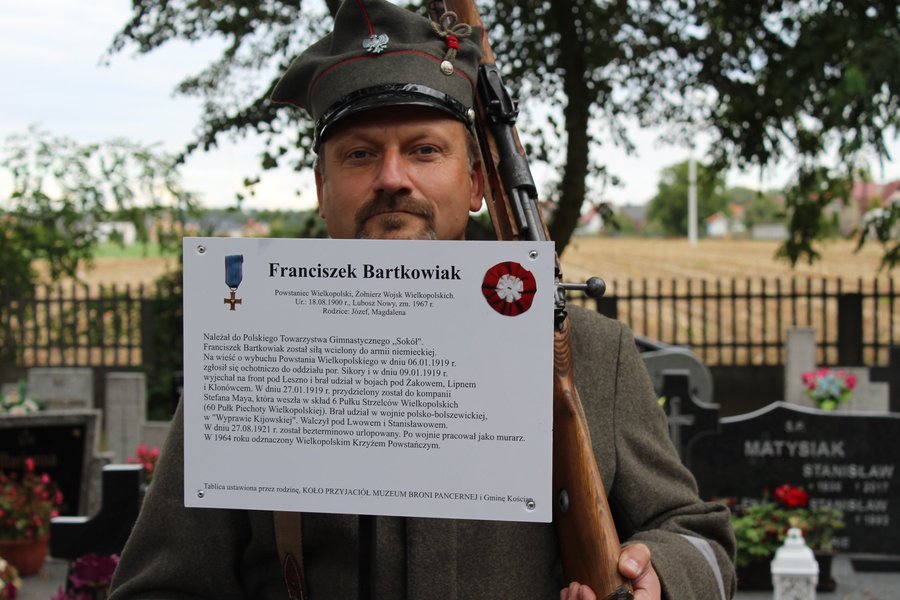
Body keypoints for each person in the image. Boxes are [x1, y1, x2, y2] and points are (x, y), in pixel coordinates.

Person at [108, 1, 736, 598]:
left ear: (476, 182)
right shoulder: (247, 354)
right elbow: (159, 585)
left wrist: (658, 575)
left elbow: (696, 534)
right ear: (322, 189)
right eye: (360, 155)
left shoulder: (591, 353)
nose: (392, 178)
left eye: (424, 150)